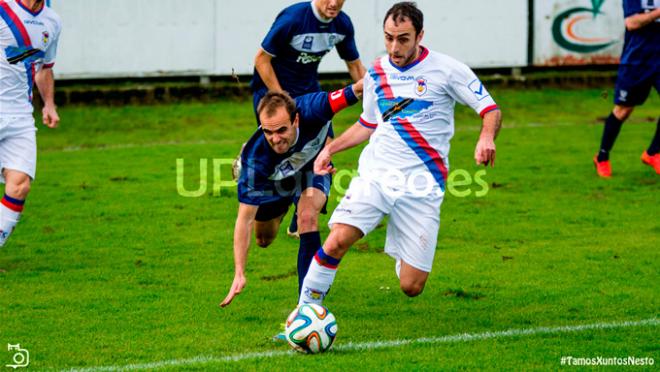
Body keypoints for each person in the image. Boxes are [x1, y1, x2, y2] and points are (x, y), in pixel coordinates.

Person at [298, 2, 502, 305]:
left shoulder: (447, 70)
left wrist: (486, 137)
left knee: (411, 285)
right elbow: (368, 123)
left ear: (420, 35)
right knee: (338, 239)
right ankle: (305, 311)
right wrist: (330, 148)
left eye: (403, 38)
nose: (394, 46)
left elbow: (490, 109)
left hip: (422, 185)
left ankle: (402, 243)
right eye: (389, 37)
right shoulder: (378, 71)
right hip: (377, 175)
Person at [220, 80, 363, 309]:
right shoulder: (255, 160)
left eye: (282, 130)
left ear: (295, 119)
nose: (275, 138)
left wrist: (386, 76)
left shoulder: (314, 108)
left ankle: (307, 307)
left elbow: (356, 89)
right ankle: (287, 205)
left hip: (312, 169)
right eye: (268, 132)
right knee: (263, 239)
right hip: (275, 182)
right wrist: (239, 271)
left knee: (307, 215)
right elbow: (244, 219)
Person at [250, 0, 366, 238]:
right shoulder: (294, 19)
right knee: (284, 151)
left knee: (326, 145)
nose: (334, 3)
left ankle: (303, 211)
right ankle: (276, 198)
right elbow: (261, 59)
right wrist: (282, 99)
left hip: (309, 94)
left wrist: (378, 102)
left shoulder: (342, 24)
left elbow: (354, 66)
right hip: (274, 96)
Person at [0, 0, 62, 247]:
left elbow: (44, 68)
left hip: (20, 115)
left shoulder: (52, 21)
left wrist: (49, 104)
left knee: (20, 186)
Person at [593, 0, 660, 177]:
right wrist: (658, 13)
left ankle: (653, 152)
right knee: (623, 111)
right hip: (637, 61)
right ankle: (602, 157)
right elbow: (631, 23)